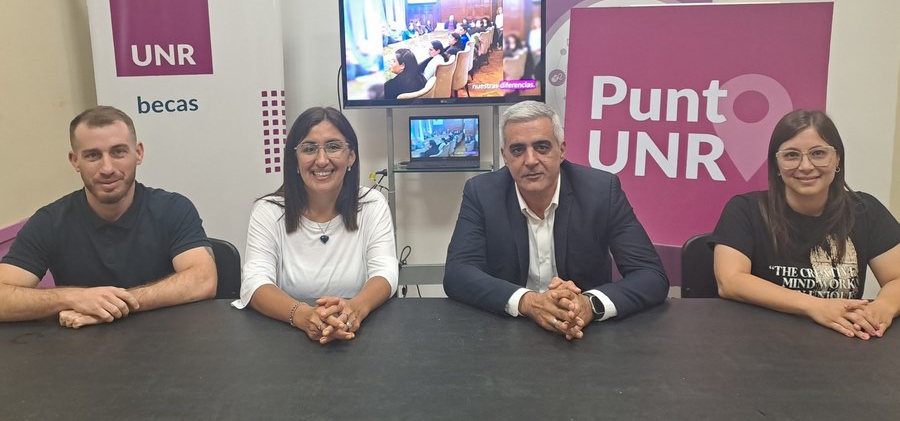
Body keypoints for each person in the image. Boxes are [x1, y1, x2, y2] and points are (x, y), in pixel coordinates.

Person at [444, 101, 669, 340]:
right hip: (507, 333)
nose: (531, 160)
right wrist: (528, 301)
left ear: (561, 150)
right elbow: (458, 273)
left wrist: (589, 304)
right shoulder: (482, 193)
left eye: (542, 147)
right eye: (518, 150)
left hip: (585, 331)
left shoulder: (601, 191)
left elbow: (650, 274)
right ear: (505, 157)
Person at [0, 106, 217, 329]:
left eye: (118, 152)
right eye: (93, 155)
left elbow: (203, 280)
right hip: (82, 345)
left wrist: (109, 306)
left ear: (138, 153)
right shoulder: (49, 221)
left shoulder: (174, 209)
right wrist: (73, 298)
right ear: (75, 161)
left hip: (170, 339)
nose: (107, 168)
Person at [711, 110, 900, 340]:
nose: (806, 166)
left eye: (818, 153)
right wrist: (814, 306)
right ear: (776, 164)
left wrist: (882, 308)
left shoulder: (865, 210)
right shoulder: (745, 210)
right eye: (791, 155)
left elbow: (896, 278)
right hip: (761, 341)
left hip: (843, 344)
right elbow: (730, 281)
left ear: (837, 158)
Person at [237, 107, 398, 345]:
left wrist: (354, 310)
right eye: (309, 149)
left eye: (333, 147)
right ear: (295, 159)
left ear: (351, 156)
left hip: (358, 334)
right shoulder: (268, 211)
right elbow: (254, 282)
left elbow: (385, 272)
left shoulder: (372, 204)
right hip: (285, 338)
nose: (322, 160)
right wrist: (303, 316)